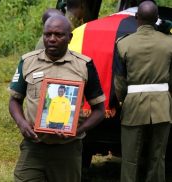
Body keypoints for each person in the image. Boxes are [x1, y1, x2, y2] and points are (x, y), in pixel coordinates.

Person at [9, 15, 105, 182]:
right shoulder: (28, 62)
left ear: (69, 37)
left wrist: (78, 130)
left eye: (58, 35)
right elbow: (14, 100)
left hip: (67, 150)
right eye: (47, 34)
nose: (52, 39)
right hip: (34, 147)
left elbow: (100, 110)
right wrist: (22, 123)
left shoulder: (84, 65)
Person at [114, 1, 172, 182]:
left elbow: (119, 81)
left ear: (136, 18)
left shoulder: (123, 44)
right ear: (157, 19)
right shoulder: (169, 43)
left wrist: (124, 100)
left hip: (133, 105)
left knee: (130, 158)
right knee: (157, 158)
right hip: (163, 105)